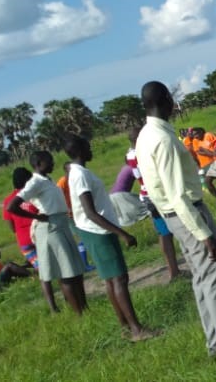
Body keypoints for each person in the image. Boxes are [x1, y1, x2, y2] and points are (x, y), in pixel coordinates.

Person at [136, 81, 216, 368]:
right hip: (188, 215)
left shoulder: (146, 135)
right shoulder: (163, 140)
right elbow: (176, 193)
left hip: (174, 218)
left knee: (201, 280)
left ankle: (214, 344)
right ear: (165, 100)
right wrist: (205, 235)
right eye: (172, 98)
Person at [64, 135, 159, 341]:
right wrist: (122, 233)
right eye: (88, 145)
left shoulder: (77, 172)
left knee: (111, 280)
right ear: (80, 149)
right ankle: (136, 330)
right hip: (98, 232)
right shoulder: (79, 175)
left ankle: (125, 326)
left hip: (94, 231)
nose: (91, 149)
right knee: (119, 279)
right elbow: (90, 212)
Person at [6, 150, 87, 315]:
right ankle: (79, 314)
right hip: (51, 229)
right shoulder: (34, 183)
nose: (52, 163)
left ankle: (85, 308)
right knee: (66, 273)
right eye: (49, 161)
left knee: (76, 272)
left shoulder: (47, 180)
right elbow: (12, 206)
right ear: (38, 164)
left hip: (61, 224)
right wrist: (35, 216)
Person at [129, 126, 185, 282]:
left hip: (146, 196)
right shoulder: (142, 152)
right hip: (157, 194)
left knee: (163, 233)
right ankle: (175, 270)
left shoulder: (129, 155)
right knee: (176, 226)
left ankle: (173, 269)